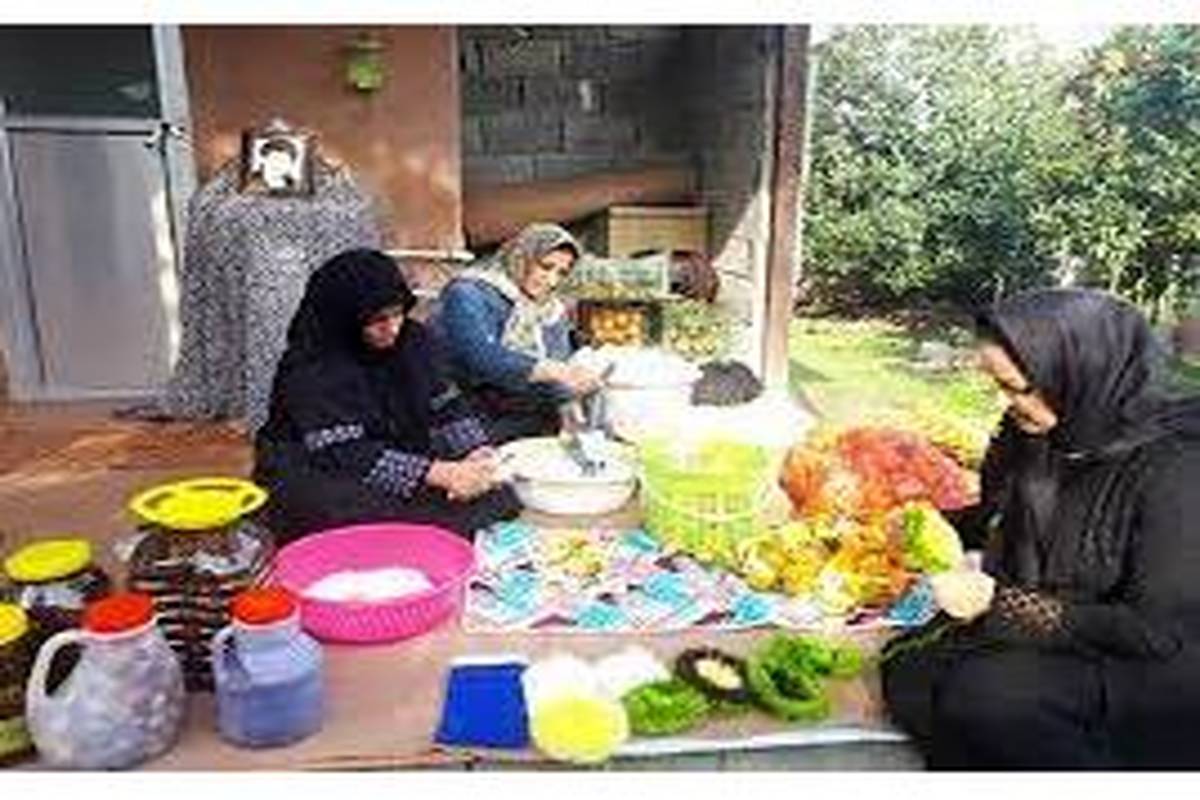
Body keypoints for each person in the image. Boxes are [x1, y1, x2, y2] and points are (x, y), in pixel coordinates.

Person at [880, 288, 1200, 769]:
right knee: (907, 664)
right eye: (998, 385)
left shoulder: (1176, 468)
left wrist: (998, 604)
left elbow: (1153, 631)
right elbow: (999, 515)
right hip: (1060, 616)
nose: (1006, 402)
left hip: (1150, 661)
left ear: (1077, 373)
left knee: (991, 698)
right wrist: (923, 525)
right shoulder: (1040, 433)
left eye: (1016, 387)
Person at [253, 248, 521, 543]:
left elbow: (446, 404)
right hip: (321, 466)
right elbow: (344, 452)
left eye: (398, 314)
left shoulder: (414, 341)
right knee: (352, 516)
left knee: (498, 494)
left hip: (395, 448)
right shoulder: (312, 367)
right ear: (344, 318)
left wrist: (475, 451)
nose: (392, 329)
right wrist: (440, 473)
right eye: (377, 319)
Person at [430, 223, 603, 442]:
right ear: (522, 258)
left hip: (533, 424)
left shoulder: (551, 310)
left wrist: (572, 394)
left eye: (562, 273)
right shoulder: (469, 292)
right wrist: (556, 371)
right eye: (545, 267)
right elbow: (480, 357)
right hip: (471, 424)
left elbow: (559, 362)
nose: (552, 281)